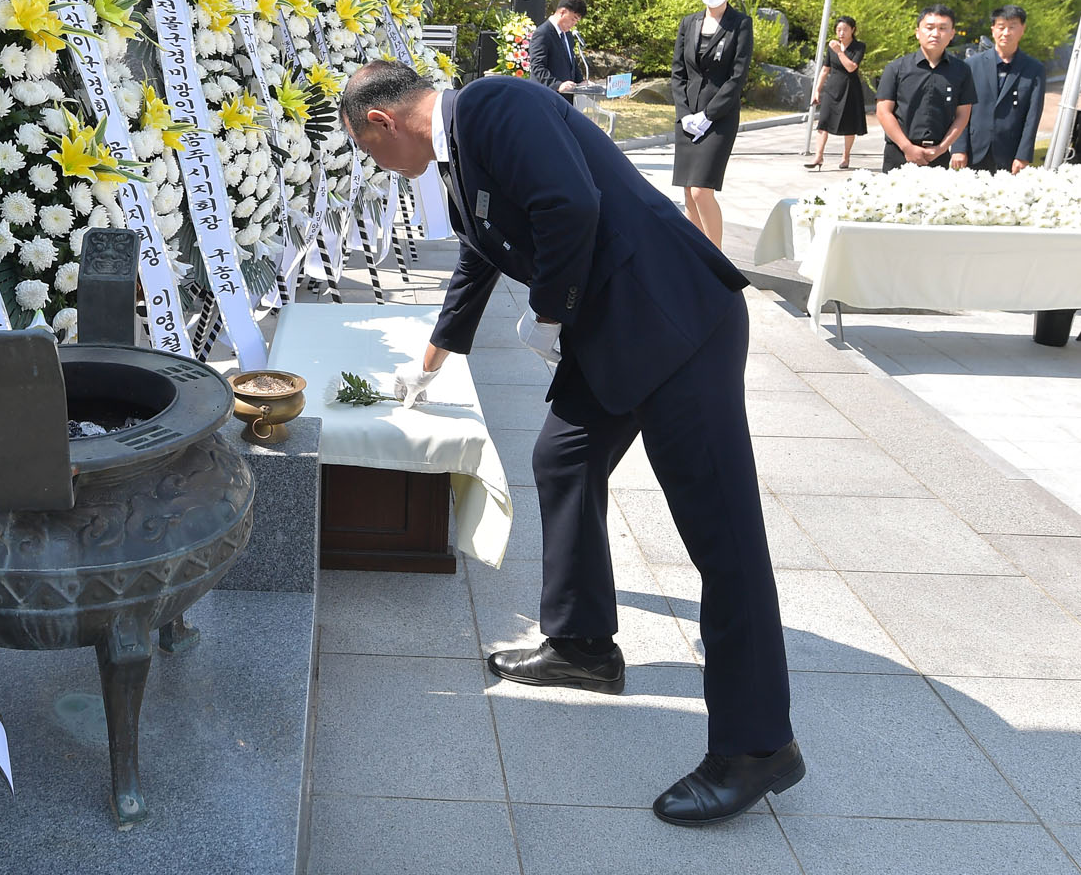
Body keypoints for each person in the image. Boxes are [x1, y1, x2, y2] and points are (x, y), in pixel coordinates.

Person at [338, 59, 802, 828]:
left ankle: (758, 747)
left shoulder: (492, 105)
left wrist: (551, 312)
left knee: (724, 541)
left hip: (677, 323)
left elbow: (569, 203)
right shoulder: (459, 153)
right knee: (562, 460)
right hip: (613, 336)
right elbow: (481, 257)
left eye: (368, 149)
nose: (379, 165)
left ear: (382, 121)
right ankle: (583, 645)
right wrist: (429, 363)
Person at [672, 0, 753, 249]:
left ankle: (715, 257)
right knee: (687, 192)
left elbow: (737, 77)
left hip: (719, 118)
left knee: (701, 190)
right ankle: (696, 255)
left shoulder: (740, 24)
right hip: (688, 117)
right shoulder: (689, 22)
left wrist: (708, 115)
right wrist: (685, 114)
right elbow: (678, 73)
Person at [875, 5, 976, 171]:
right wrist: (907, 147)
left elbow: (963, 115)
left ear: (952, 34)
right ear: (917, 32)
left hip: (938, 155)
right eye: (929, 28)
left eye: (942, 28)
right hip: (899, 153)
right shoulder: (896, 68)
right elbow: (883, 111)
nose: (935, 33)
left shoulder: (962, 71)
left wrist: (942, 148)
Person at [951, 5, 1045, 173]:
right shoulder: (972, 65)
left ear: (1022, 29)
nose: (1006, 33)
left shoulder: (1034, 69)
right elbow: (961, 109)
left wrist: (1023, 155)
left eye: (1012, 27)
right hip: (974, 150)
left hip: (1011, 153)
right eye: (1001, 27)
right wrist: (959, 147)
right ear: (993, 29)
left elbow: (1033, 116)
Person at [807, 16, 866, 170]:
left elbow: (851, 67)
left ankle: (846, 156)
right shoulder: (832, 47)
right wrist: (817, 90)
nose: (841, 33)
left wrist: (839, 51)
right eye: (838, 30)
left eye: (845, 30)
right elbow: (825, 69)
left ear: (853, 30)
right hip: (832, 89)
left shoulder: (859, 47)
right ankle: (818, 156)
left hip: (850, 89)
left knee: (849, 125)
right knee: (823, 122)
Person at [528, 0, 588, 102]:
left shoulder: (568, 35)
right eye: (573, 19)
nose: (574, 24)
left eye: (577, 21)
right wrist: (557, 85)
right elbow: (537, 66)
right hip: (545, 96)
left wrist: (581, 82)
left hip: (565, 98)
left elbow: (571, 63)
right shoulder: (543, 33)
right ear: (563, 12)